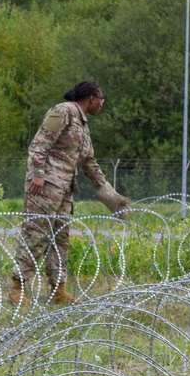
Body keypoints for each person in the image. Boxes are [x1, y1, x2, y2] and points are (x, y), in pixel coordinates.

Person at [10, 81, 130, 306]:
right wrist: (38, 174)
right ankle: (18, 287)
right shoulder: (63, 111)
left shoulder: (83, 124)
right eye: (101, 100)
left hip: (65, 189)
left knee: (60, 238)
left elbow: (90, 163)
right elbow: (39, 145)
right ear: (92, 98)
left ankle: (58, 290)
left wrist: (110, 196)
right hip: (44, 186)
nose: (102, 104)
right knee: (35, 234)